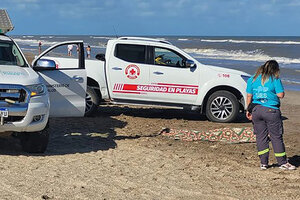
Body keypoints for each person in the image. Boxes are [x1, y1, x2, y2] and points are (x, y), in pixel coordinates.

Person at [246, 60, 296, 170]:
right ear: (275, 69)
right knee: (276, 136)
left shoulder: (253, 78)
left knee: (260, 137)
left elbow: (249, 95)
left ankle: (263, 163)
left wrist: (248, 110)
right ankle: (282, 162)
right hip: (271, 110)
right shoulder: (275, 78)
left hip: (256, 110)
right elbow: (280, 95)